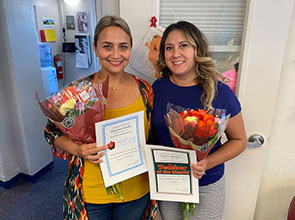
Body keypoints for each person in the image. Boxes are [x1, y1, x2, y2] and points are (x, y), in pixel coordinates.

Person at [44, 16, 154, 220]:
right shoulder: (78, 92)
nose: (116, 54)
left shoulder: (145, 90)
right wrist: (77, 149)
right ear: (95, 49)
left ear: (130, 49)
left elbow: (154, 138)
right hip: (92, 194)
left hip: (135, 192)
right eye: (107, 46)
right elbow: (51, 133)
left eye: (123, 46)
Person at [151, 21, 247, 220]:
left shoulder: (220, 92)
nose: (175, 53)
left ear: (197, 49)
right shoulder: (156, 89)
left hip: (207, 184)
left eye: (184, 45)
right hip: (169, 183)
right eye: (169, 48)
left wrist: (208, 162)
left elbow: (239, 140)